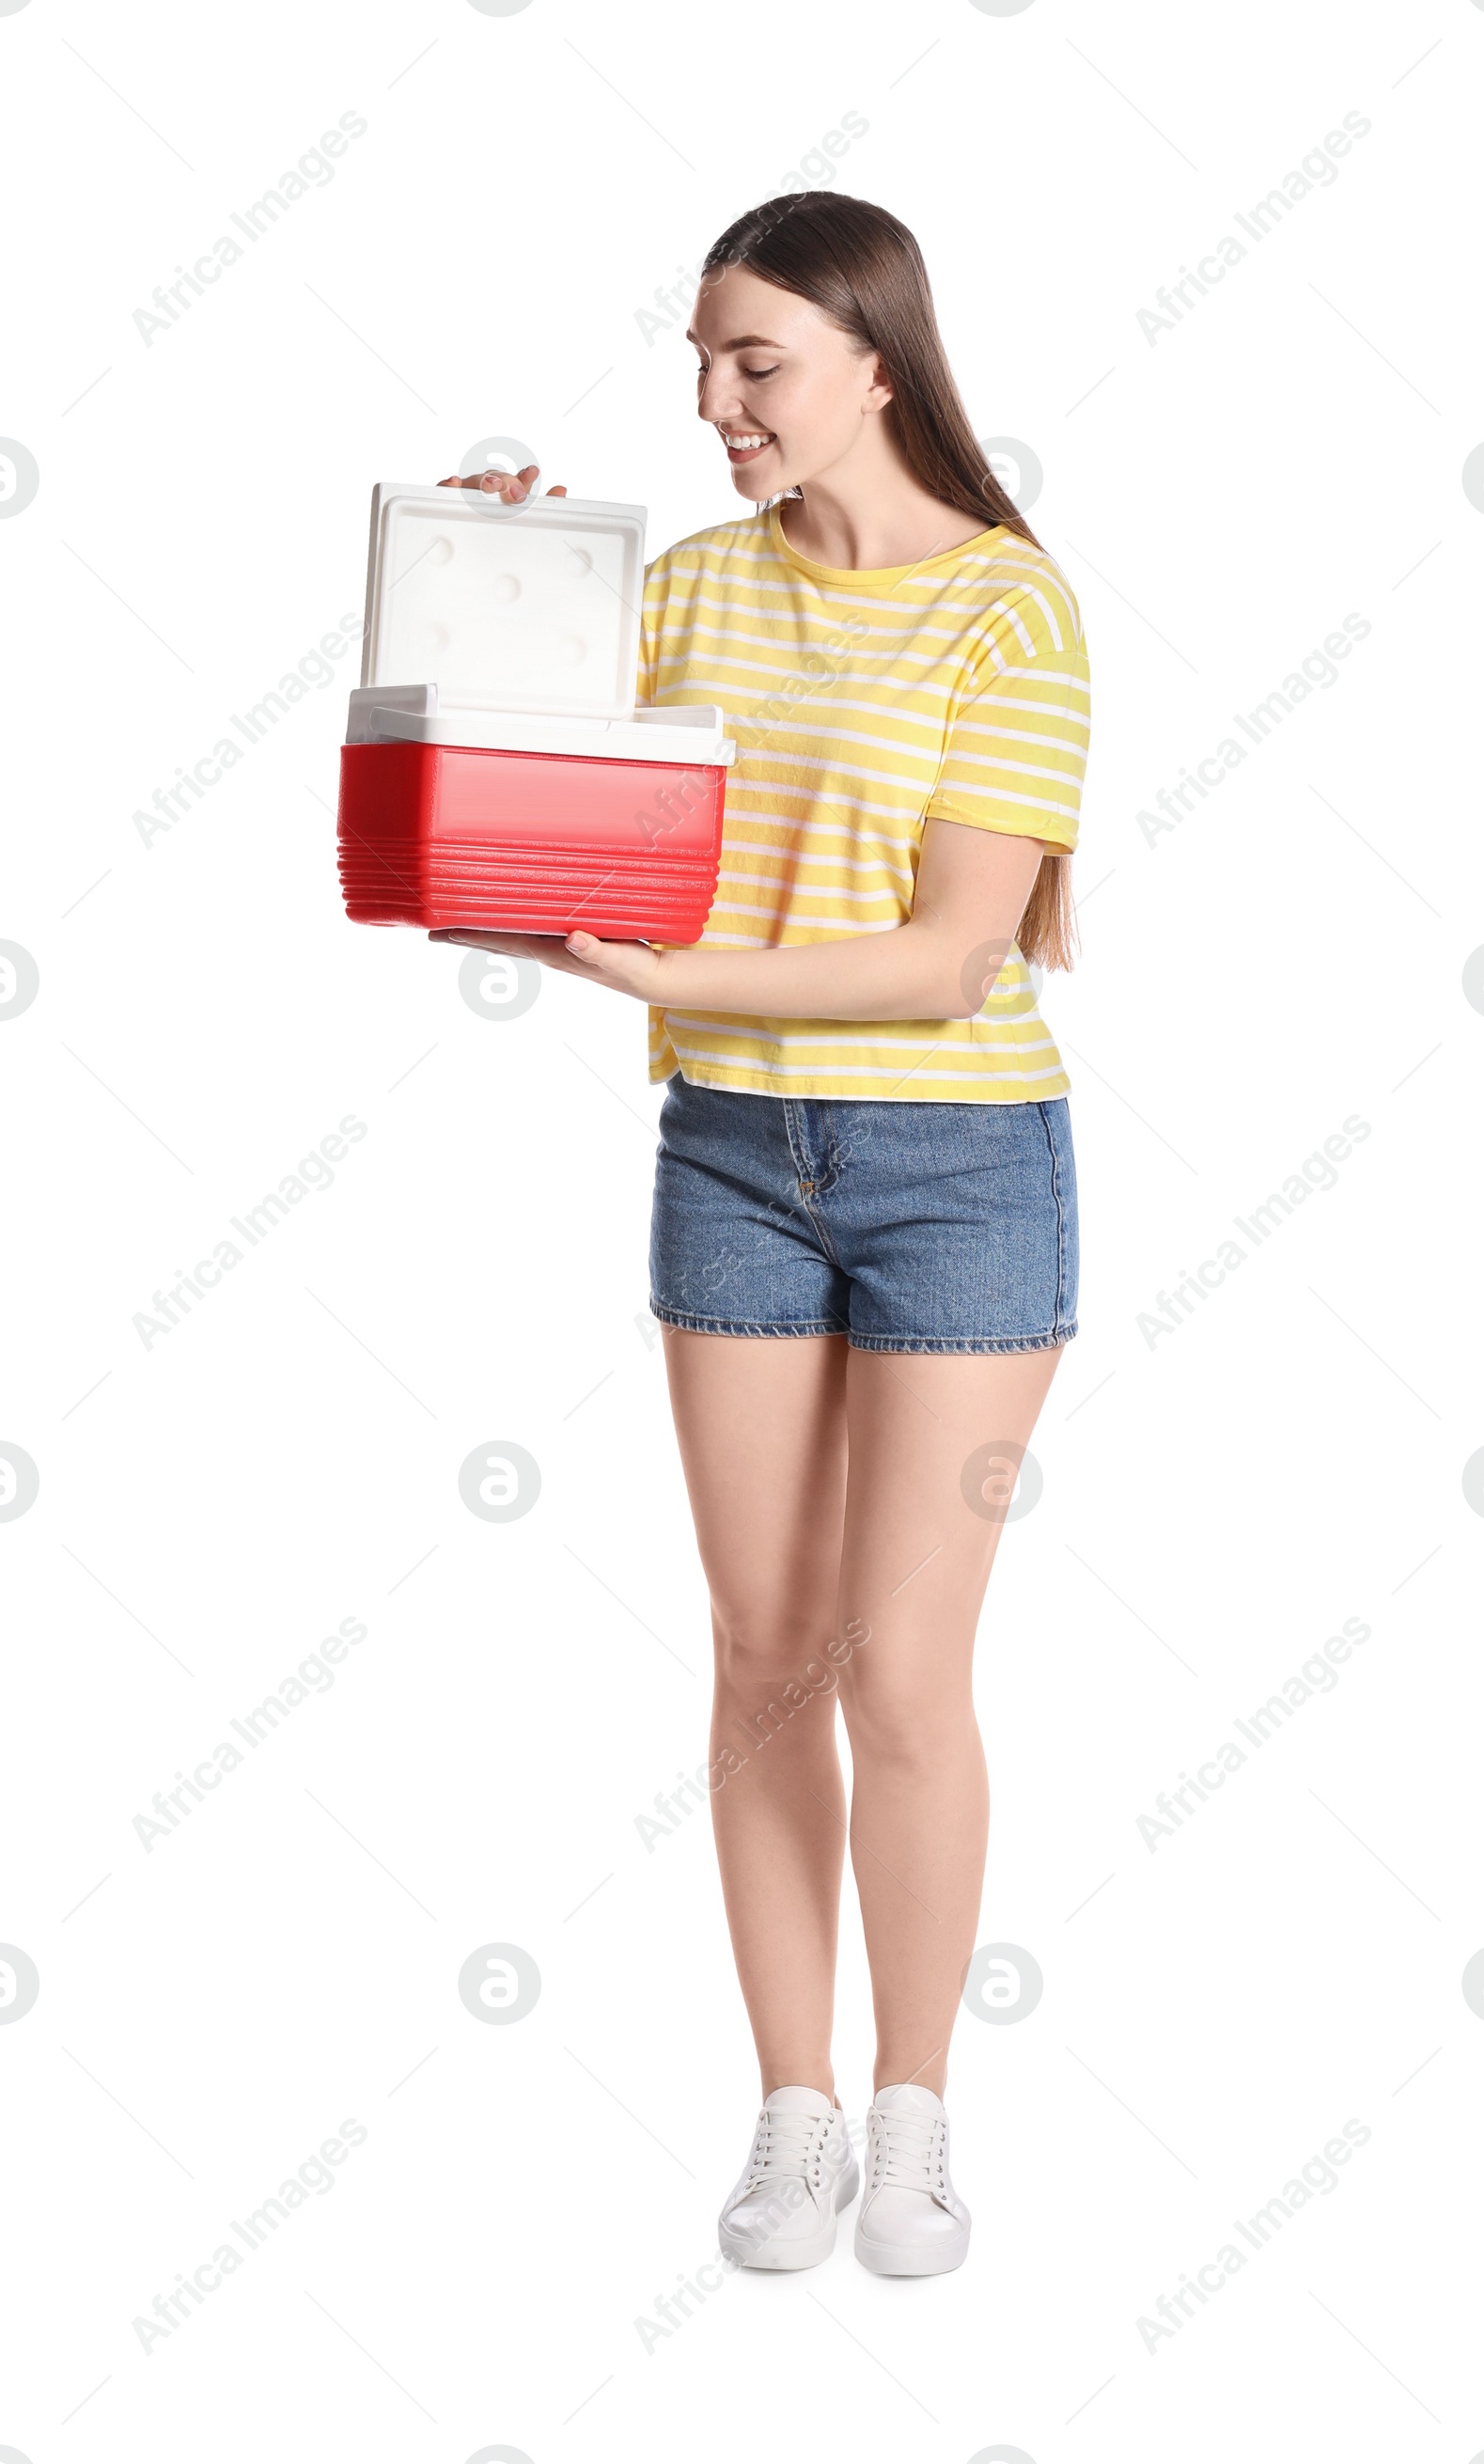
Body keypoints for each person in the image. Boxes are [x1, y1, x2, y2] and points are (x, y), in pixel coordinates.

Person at [433, 192, 1090, 2278]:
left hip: (954, 1170)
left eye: (755, 364)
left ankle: (913, 2118)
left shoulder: (1011, 612)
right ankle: (788, 2111)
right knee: (757, 1655)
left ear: (875, 364)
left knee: (900, 1669)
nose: (713, 403)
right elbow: (513, 790)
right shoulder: (698, 593)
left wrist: (649, 981)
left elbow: (946, 955)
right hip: (731, 1157)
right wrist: (493, 572)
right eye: (702, 363)